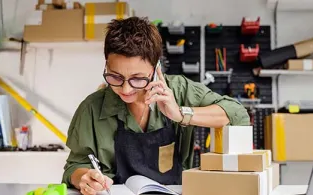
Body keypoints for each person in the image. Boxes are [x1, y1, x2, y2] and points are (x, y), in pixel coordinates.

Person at [61, 17, 251, 195]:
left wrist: (181, 114)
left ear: (155, 69)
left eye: (137, 78)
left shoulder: (179, 90)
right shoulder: (91, 108)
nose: (126, 88)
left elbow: (236, 113)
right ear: (106, 65)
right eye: (115, 76)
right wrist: (84, 177)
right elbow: (75, 165)